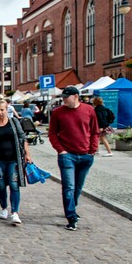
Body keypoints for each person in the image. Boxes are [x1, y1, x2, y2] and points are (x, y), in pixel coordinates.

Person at [48, 86, 99, 230]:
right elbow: (52, 133)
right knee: (68, 186)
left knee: (78, 186)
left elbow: (95, 131)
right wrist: (61, 150)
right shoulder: (57, 113)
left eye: (67, 97)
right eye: (63, 97)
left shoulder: (89, 110)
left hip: (85, 154)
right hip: (67, 155)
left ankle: (73, 207)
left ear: (76, 96)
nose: (64, 99)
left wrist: (92, 150)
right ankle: (71, 217)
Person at [0, 99, 31, 225]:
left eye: (2, 110)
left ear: (6, 110)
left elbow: (23, 138)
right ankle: (4, 208)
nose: (0, 112)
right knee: (1, 185)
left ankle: (15, 212)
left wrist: (27, 154)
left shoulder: (14, 123)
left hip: (13, 160)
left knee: (14, 184)